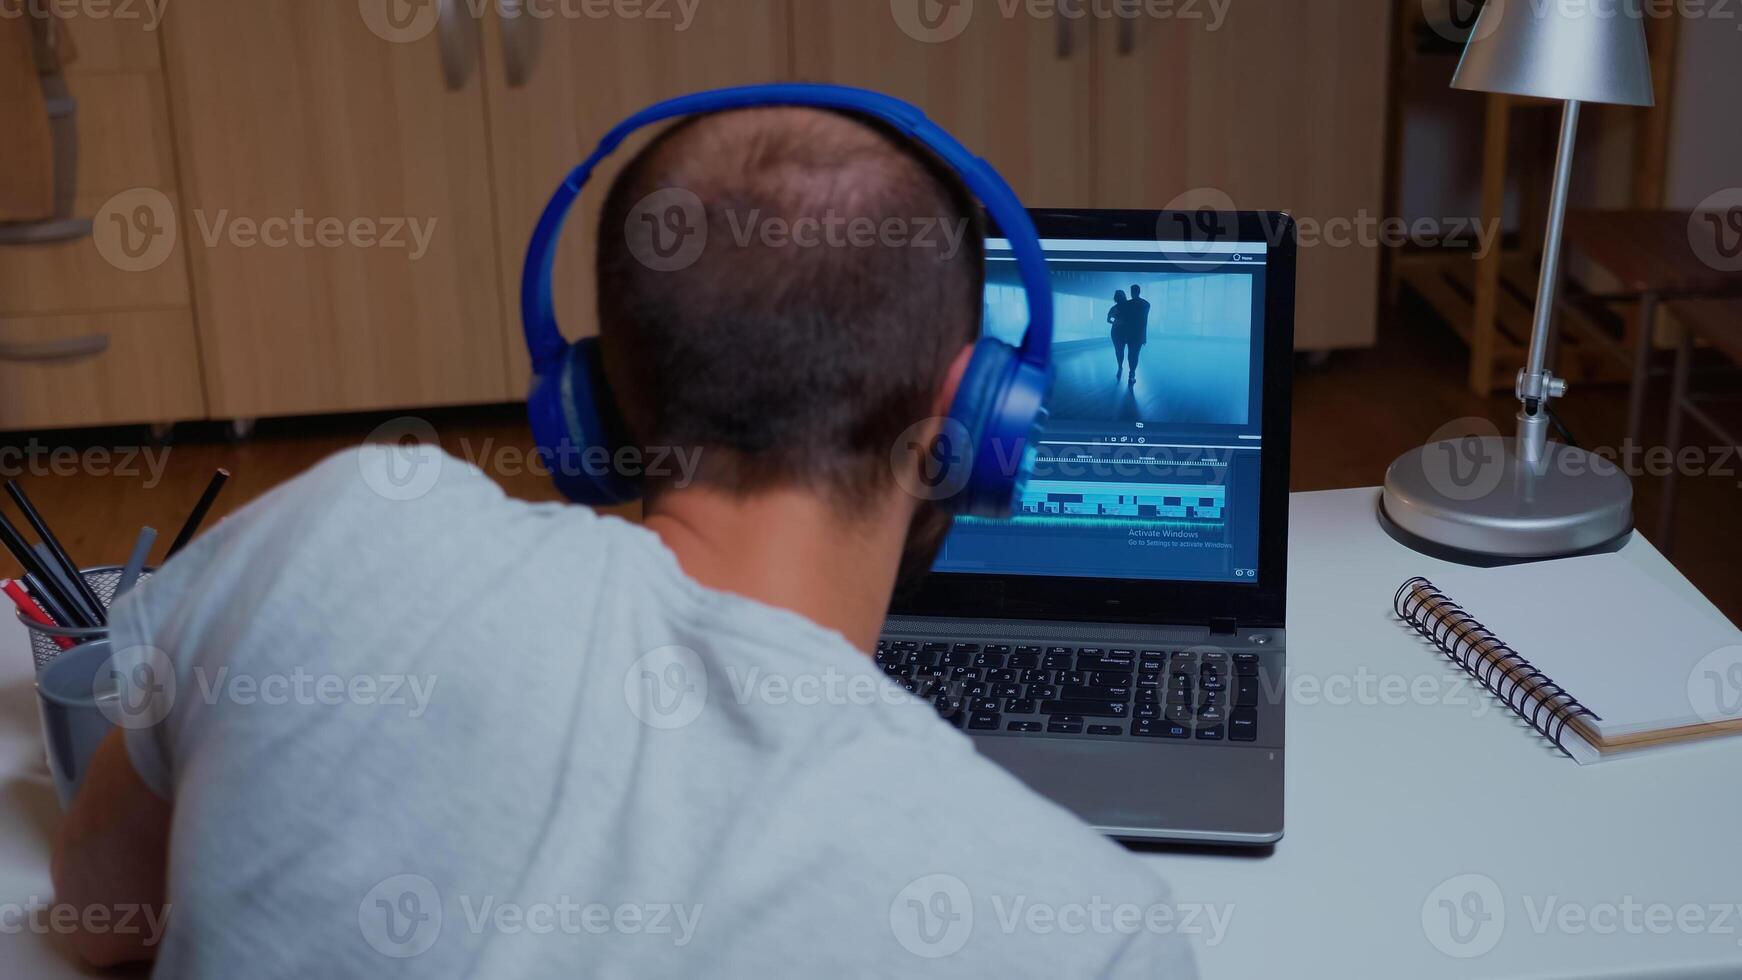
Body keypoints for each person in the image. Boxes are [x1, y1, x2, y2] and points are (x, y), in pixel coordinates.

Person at [50, 107, 1199, 977]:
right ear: (970, 418)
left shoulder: (333, 526)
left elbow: (98, 898)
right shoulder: (1089, 933)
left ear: (592, 400)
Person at [1122, 283, 1153, 386]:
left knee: (1131, 354)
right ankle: (1132, 374)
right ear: (1139, 292)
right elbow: (1144, 321)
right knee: (1135, 354)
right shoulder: (1146, 304)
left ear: (1131, 292)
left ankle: (1131, 373)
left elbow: (1124, 318)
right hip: (1139, 335)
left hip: (1129, 334)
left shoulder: (1127, 304)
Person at [1107, 288, 1130, 379]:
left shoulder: (1114, 308)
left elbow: (1108, 320)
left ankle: (1120, 367)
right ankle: (1124, 368)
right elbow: (1108, 320)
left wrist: (1115, 322)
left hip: (1117, 331)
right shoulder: (1129, 307)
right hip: (1124, 332)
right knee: (1123, 351)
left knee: (1119, 351)